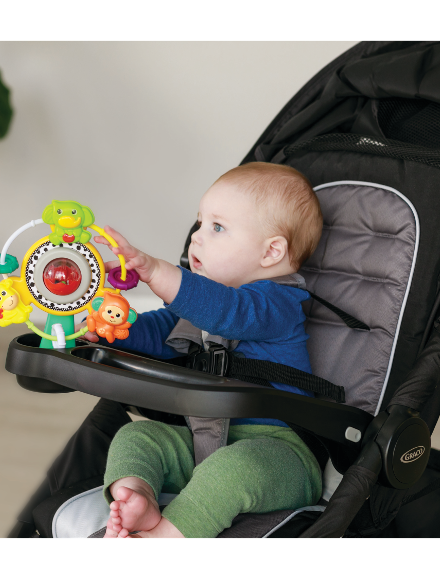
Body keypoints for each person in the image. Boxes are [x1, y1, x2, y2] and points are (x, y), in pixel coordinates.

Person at [81, 162, 324, 539]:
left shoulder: (278, 303)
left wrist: (158, 272)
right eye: (199, 223)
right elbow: (162, 332)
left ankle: (172, 532)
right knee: (136, 437)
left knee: (232, 469)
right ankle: (138, 498)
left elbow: (229, 313)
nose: (196, 237)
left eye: (217, 227)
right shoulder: (203, 299)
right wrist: (112, 329)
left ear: (271, 252)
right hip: (204, 441)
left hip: (278, 456)